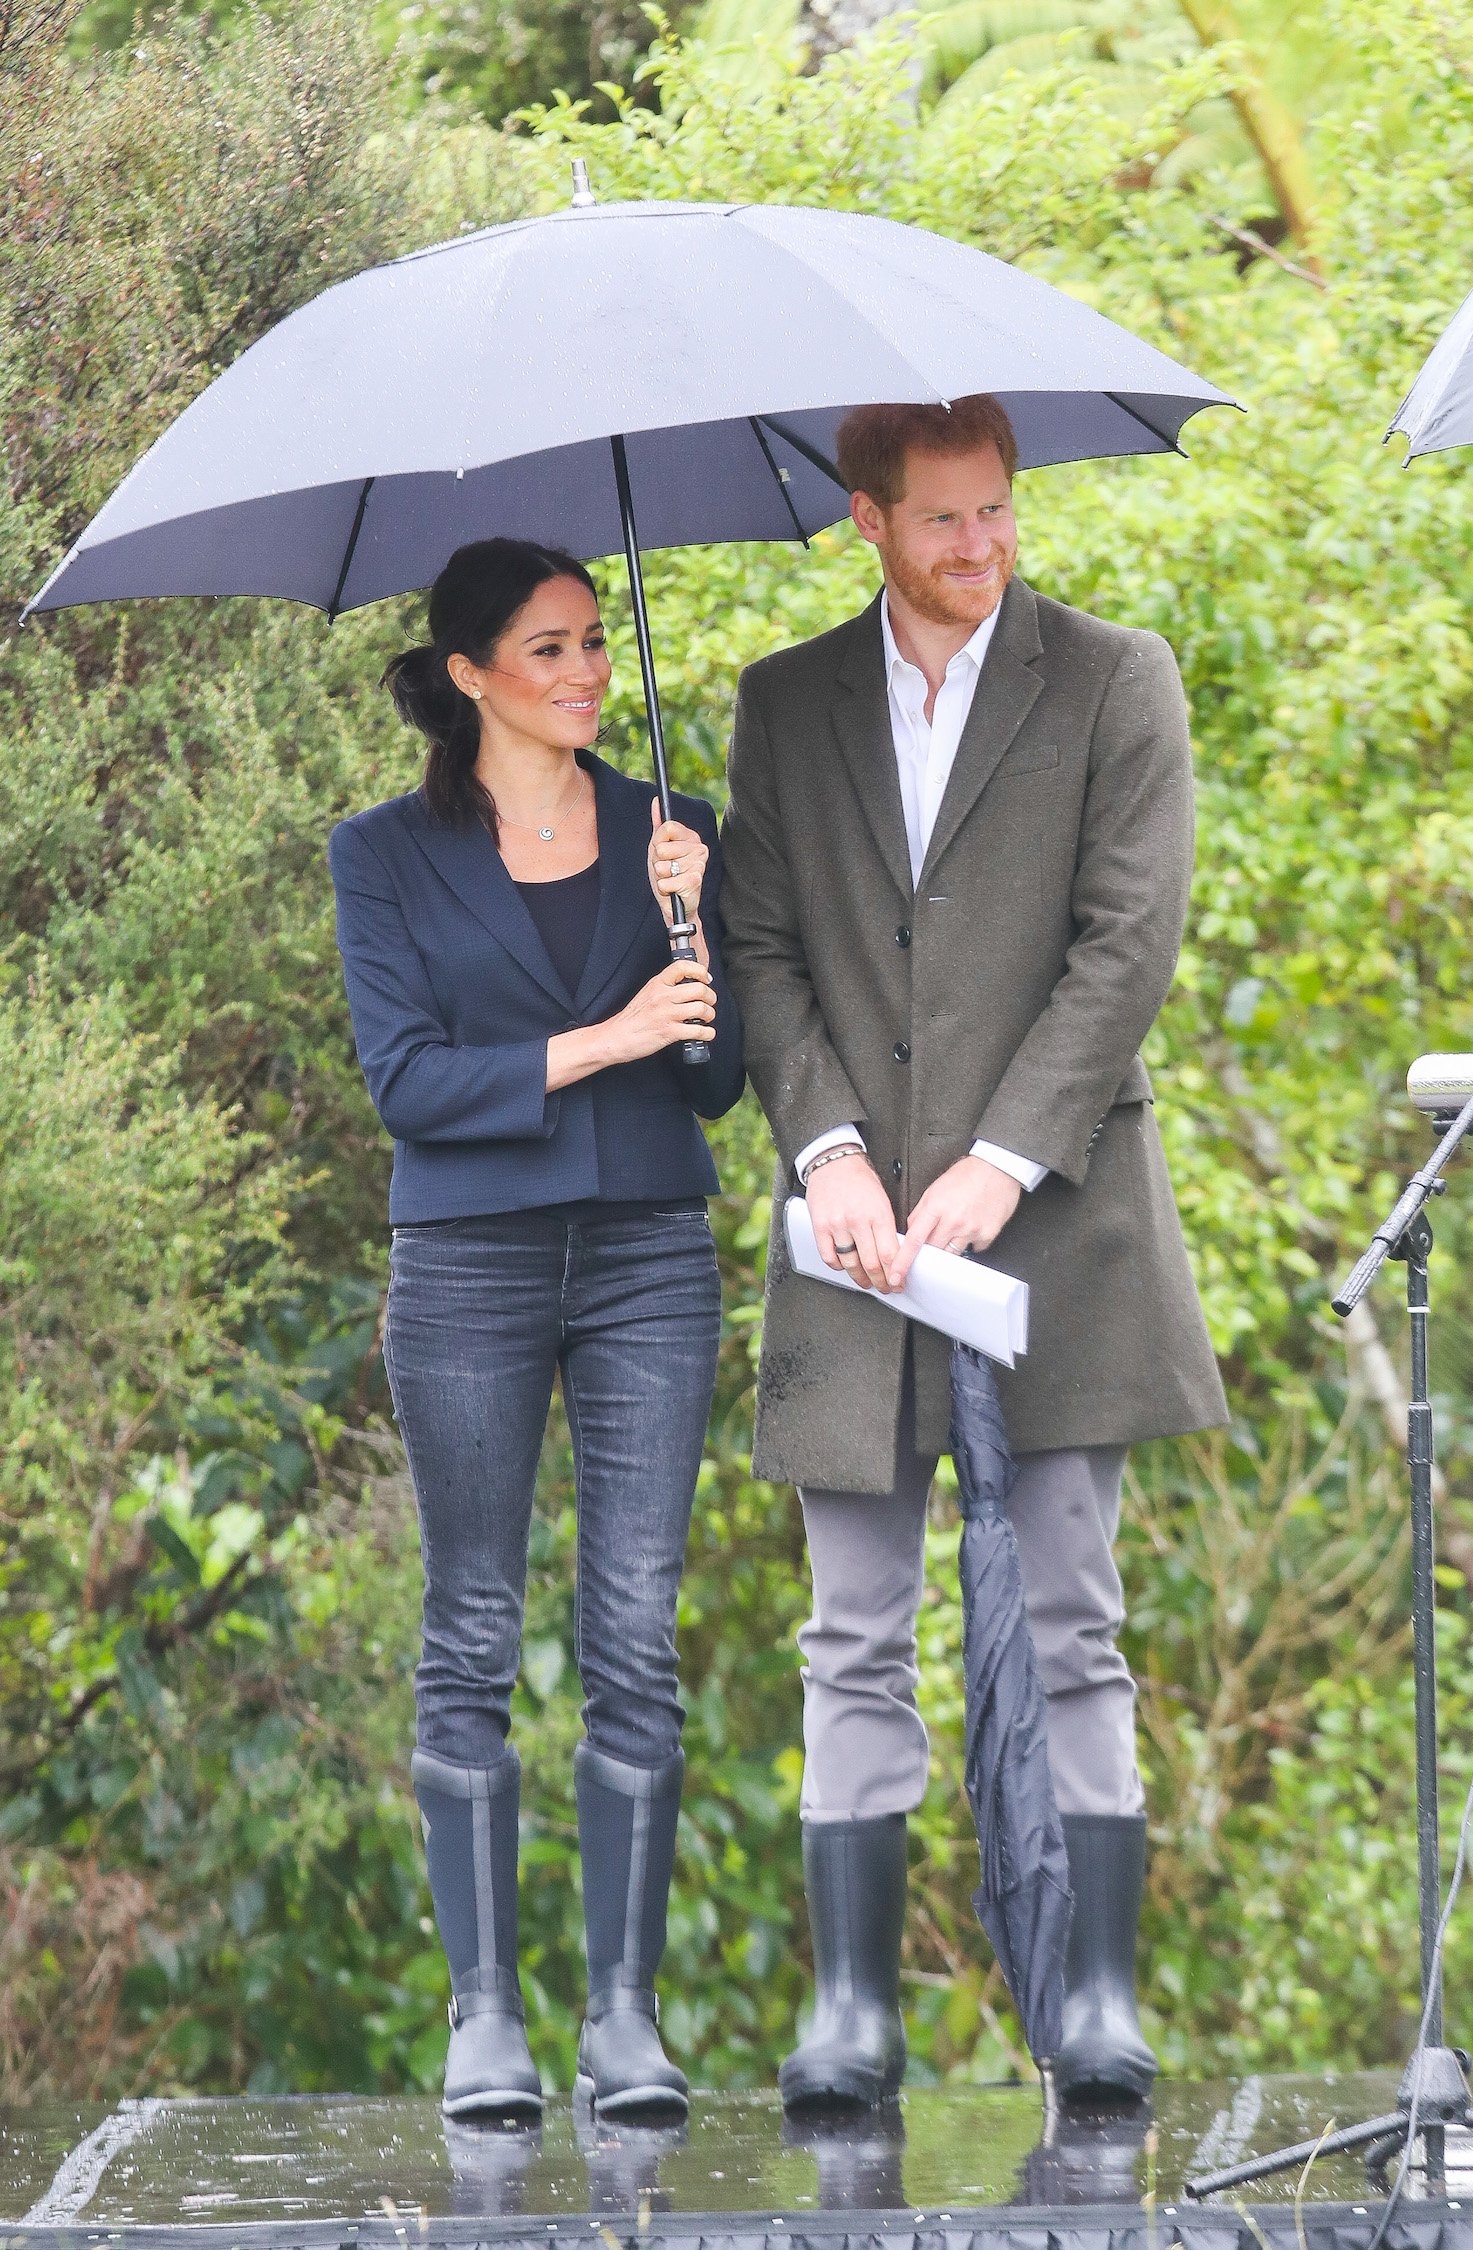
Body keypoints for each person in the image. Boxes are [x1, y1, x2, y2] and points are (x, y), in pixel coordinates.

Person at [719, 396, 1226, 2112]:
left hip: (1057, 1235)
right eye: (943, 522)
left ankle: (1093, 1997)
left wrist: (1004, 1158)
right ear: (868, 520)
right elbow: (765, 948)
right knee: (851, 1630)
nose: (982, 549)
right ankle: (851, 2012)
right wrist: (831, 1145)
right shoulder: (785, 705)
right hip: (853, 1255)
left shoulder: (1113, 678)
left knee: (1077, 1621)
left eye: (998, 514)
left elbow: (1127, 941)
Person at [328, 537, 744, 2123]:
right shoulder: (382, 854)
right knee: (475, 1631)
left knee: (637, 1629)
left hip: (649, 1250)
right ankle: (484, 2012)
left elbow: (716, 1080)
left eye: (592, 645)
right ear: (471, 675)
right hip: (472, 1262)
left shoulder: (672, 828)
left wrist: (692, 935)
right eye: (551, 650)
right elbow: (409, 1082)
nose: (586, 674)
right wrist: (604, 1037)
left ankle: (625, 2016)